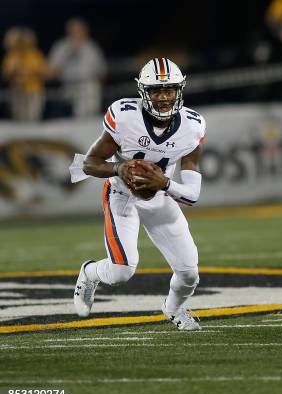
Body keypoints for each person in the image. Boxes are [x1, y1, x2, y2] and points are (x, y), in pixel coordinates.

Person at [71, 58, 206, 331]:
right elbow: (87, 164)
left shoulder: (193, 126)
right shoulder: (124, 116)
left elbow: (192, 195)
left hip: (160, 198)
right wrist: (119, 167)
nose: (164, 97)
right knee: (121, 271)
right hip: (122, 196)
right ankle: (89, 272)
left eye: (169, 90)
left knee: (190, 273)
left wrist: (163, 183)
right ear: (143, 92)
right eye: (156, 90)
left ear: (179, 90)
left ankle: (174, 308)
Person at [48, 18, 106, 117]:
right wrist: (68, 55)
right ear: (68, 31)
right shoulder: (61, 46)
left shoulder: (91, 47)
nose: (77, 33)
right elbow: (51, 72)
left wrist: (100, 86)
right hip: (68, 86)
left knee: (90, 103)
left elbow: (101, 72)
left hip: (88, 85)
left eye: (80, 30)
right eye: (74, 30)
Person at [1, 27, 47, 121]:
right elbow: (5, 75)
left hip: (34, 90)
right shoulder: (11, 56)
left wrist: (26, 73)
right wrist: (13, 70)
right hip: (17, 91)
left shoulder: (34, 55)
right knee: (18, 117)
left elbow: (43, 72)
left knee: (33, 117)